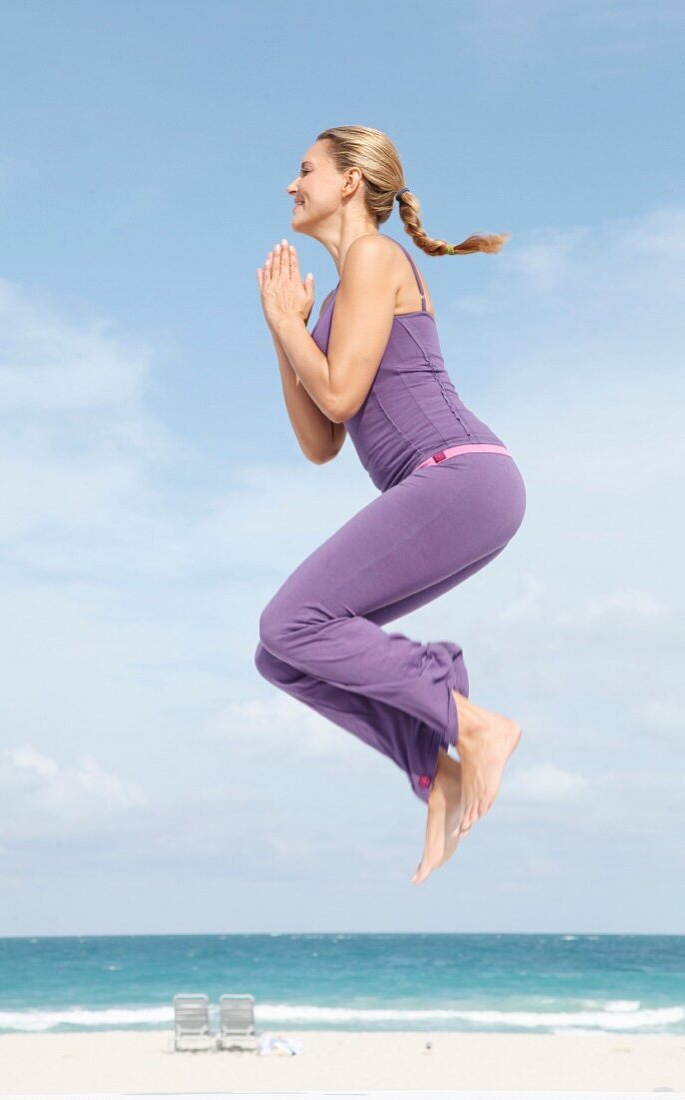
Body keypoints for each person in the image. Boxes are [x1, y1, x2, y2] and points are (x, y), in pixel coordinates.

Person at [253, 125, 527, 886]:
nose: (290, 184)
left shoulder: (376, 257)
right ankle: (435, 773)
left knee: (291, 622)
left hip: (461, 476)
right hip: (454, 488)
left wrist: (284, 323)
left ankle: (474, 724)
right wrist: (289, 334)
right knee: (282, 654)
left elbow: (337, 393)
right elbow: (321, 440)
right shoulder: (343, 296)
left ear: (347, 182)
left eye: (303, 169)